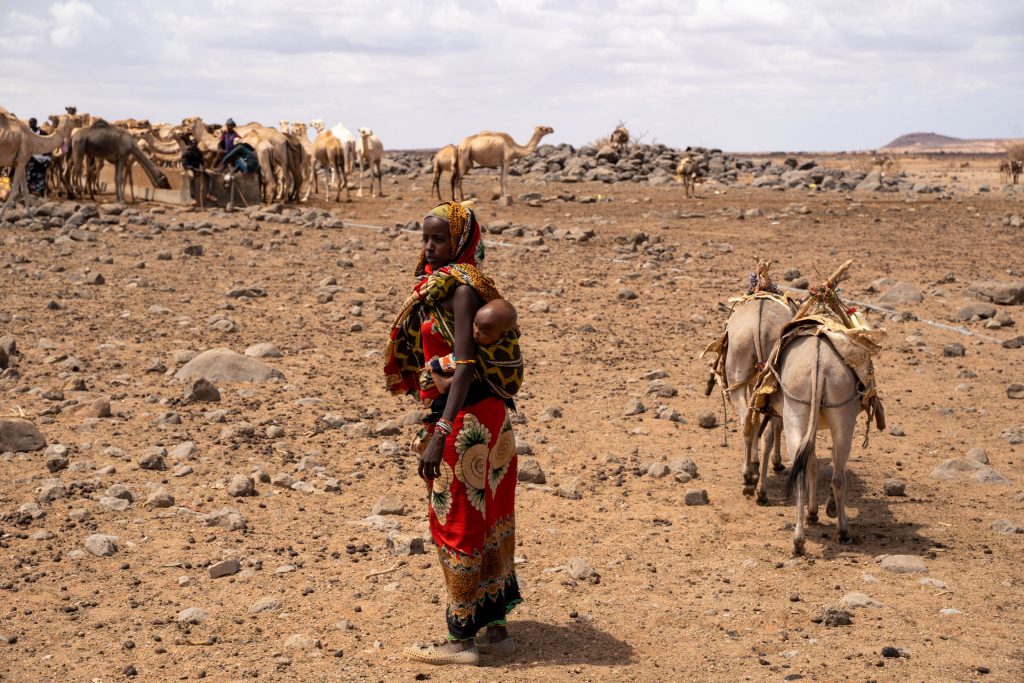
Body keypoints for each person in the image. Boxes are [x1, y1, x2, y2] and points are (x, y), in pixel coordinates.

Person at [384, 201, 523, 666]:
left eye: (438, 239)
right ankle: (496, 629)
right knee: (492, 519)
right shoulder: (464, 286)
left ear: (461, 241)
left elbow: (462, 370)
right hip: (492, 419)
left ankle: (462, 639)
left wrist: (440, 431)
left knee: (458, 523)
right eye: (425, 238)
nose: (428, 246)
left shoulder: (460, 292)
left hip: (463, 423)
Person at [429, 298, 518, 394]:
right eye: (475, 324)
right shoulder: (498, 331)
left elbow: (462, 357)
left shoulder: (493, 352)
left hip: (501, 386)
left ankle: (445, 383)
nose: (476, 332)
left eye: (484, 332)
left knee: (467, 364)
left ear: (501, 335)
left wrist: (434, 366)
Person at [26, 117, 50, 196]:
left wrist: (48, 157)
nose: (30, 124)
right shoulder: (28, 134)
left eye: (32, 123)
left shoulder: (43, 133)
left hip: (41, 160)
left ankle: (41, 195)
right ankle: (30, 195)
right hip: (31, 159)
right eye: (30, 123)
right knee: (29, 176)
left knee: (41, 176)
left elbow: (48, 145)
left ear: (36, 123)